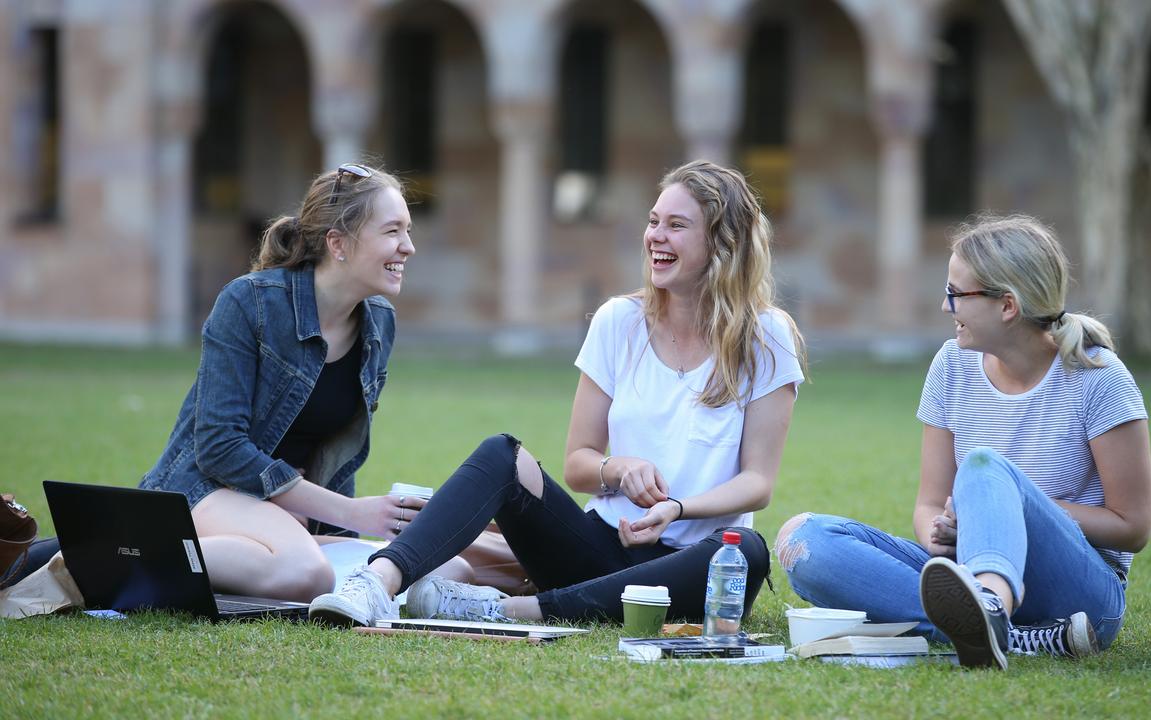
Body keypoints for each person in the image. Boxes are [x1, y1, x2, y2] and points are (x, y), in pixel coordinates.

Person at [309, 159, 807, 627]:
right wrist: (617, 469)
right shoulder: (619, 321)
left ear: (722, 244)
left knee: (747, 552)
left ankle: (508, 609)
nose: (655, 236)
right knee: (501, 455)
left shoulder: (765, 337)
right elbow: (578, 464)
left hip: (684, 566)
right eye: (654, 221)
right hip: (594, 549)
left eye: (677, 225)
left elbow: (757, 482)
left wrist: (676, 509)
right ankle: (377, 581)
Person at [775, 214, 1151, 669]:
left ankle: (991, 612)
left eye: (956, 293)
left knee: (984, 468)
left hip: (1082, 598)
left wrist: (1007, 506)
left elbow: (1133, 527)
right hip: (968, 567)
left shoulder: (1099, 378)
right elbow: (929, 504)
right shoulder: (951, 365)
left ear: (1007, 306)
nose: (944, 306)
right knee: (804, 539)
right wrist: (943, 537)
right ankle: (1013, 634)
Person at [139, 163, 469, 602]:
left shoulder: (379, 323)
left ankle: (259, 555)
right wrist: (353, 513)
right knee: (306, 573)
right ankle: (132, 553)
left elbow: (336, 451)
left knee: (449, 567)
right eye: (393, 231)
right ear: (338, 243)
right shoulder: (249, 302)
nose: (408, 247)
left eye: (407, 231)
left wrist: (335, 520)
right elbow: (218, 445)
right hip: (206, 491)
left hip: (286, 515)